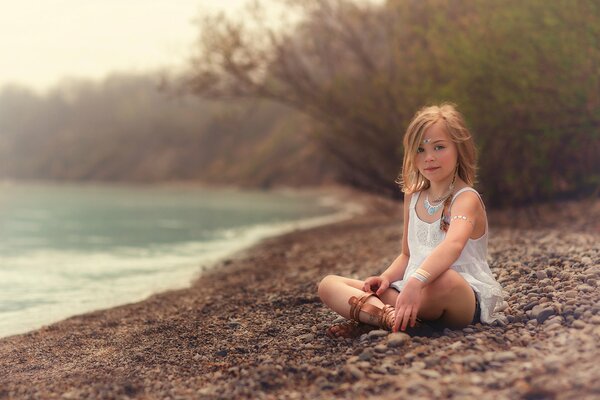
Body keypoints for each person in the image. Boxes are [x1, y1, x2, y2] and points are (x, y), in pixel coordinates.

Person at [318, 103, 504, 337]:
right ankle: (392, 318)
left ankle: (372, 316)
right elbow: (407, 255)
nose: (429, 158)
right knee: (328, 284)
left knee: (445, 279)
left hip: (457, 297)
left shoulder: (466, 199)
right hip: (410, 291)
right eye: (420, 150)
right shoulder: (413, 196)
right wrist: (385, 278)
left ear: (459, 150)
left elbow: (453, 245)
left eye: (439, 147)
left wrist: (416, 282)